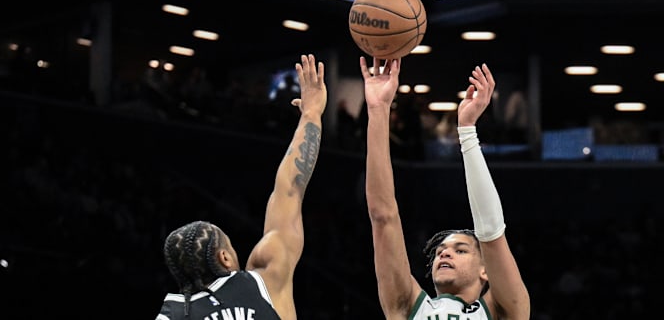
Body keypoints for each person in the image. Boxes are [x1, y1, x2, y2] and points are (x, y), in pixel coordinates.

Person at [156, 54, 327, 320]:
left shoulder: (173, 315)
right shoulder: (265, 282)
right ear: (225, 257)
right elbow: (289, 190)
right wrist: (312, 114)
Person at [359, 56, 530, 320]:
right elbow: (382, 215)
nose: (445, 252)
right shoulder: (406, 306)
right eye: (441, 252)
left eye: (460, 250)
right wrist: (379, 109)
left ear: (486, 271)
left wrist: (467, 132)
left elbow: (492, 234)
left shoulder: (503, 312)